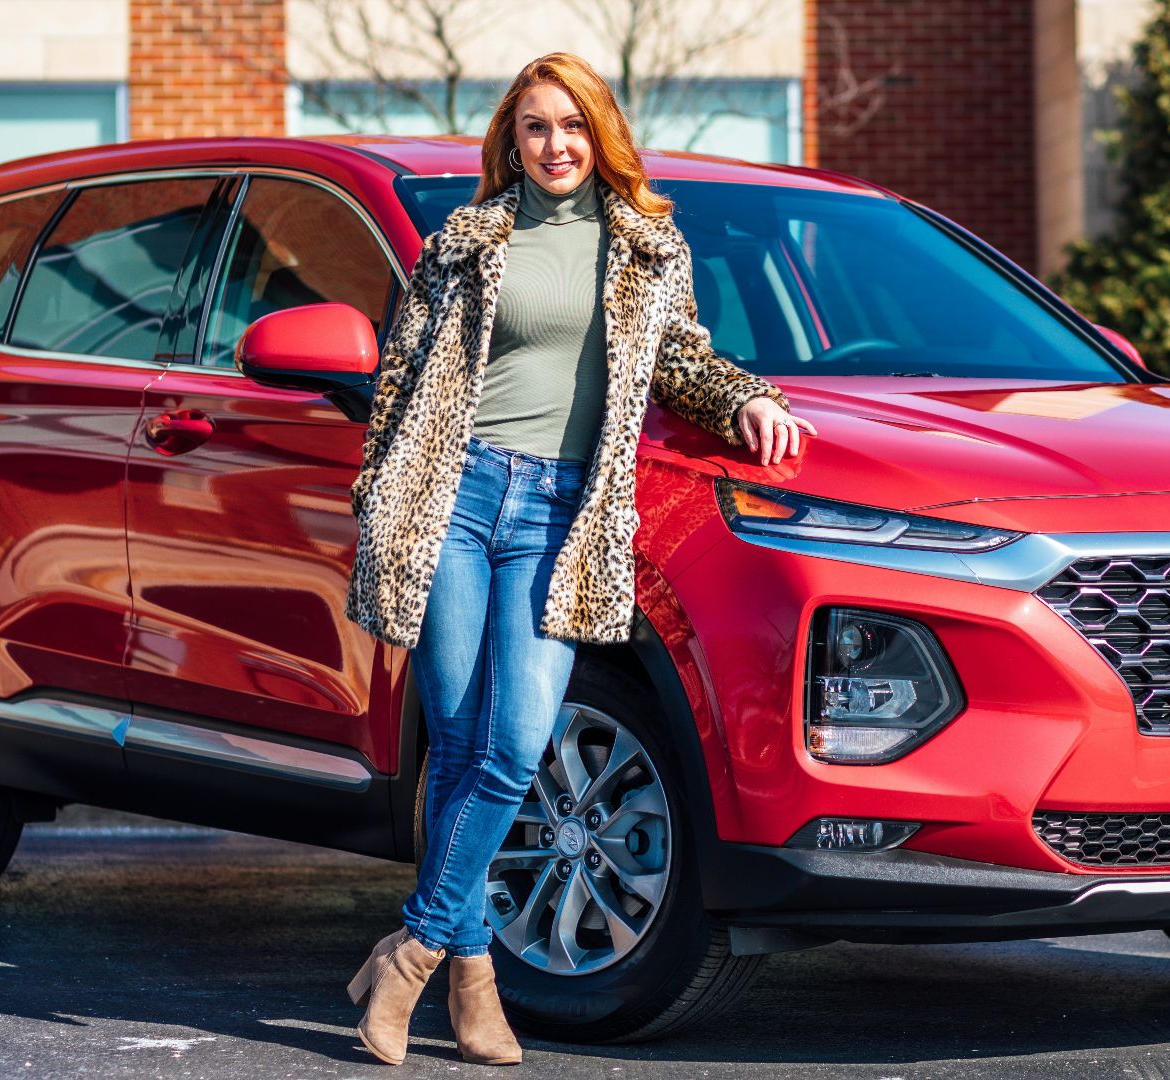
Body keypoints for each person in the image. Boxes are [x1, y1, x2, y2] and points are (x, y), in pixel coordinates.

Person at [340, 50, 816, 1066]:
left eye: (571, 126)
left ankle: (411, 951)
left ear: (599, 134)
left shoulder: (648, 247)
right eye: (534, 127)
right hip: (456, 500)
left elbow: (680, 356)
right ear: (510, 141)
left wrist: (747, 399)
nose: (555, 146)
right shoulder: (465, 242)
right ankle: (476, 988)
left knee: (516, 744)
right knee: (461, 745)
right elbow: (399, 379)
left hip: (563, 514)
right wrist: (379, 498)